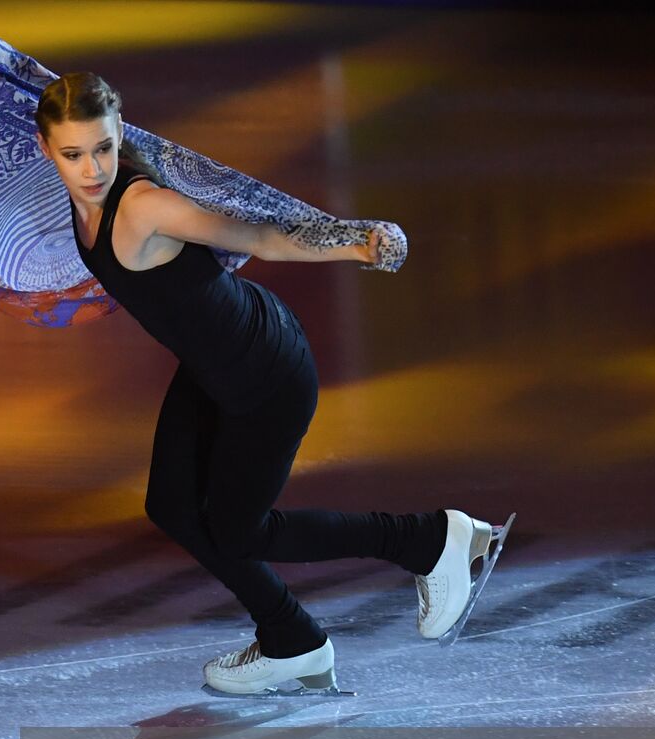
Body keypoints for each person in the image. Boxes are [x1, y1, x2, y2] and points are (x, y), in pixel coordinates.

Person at [35, 72, 504, 695]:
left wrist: (355, 243)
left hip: (266, 375)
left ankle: (431, 540)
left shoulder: (144, 206)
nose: (92, 168)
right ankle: (293, 640)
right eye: (73, 154)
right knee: (172, 506)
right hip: (212, 367)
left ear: (120, 136)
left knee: (241, 531)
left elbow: (257, 235)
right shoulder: (77, 194)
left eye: (103, 148)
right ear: (46, 151)